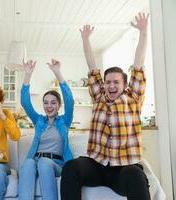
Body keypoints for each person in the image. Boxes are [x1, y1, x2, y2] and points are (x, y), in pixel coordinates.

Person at [60, 13, 150, 200]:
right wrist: (85, 39)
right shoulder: (99, 97)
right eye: (108, 82)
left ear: (124, 84)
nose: (111, 86)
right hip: (97, 165)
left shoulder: (133, 98)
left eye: (116, 82)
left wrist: (143, 32)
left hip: (123, 168)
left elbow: (139, 65)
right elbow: (92, 65)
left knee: (136, 175)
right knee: (71, 167)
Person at [19, 59, 74, 200]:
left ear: (58, 105)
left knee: (44, 162)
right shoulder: (39, 121)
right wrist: (27, 75)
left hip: (56, 164)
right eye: (46, 103)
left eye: (53, 103)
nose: (49, 106)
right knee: (27, 164)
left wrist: (57, 72)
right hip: (36, 160)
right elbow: (25, 103)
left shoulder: (64, 121)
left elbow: (70, 101)